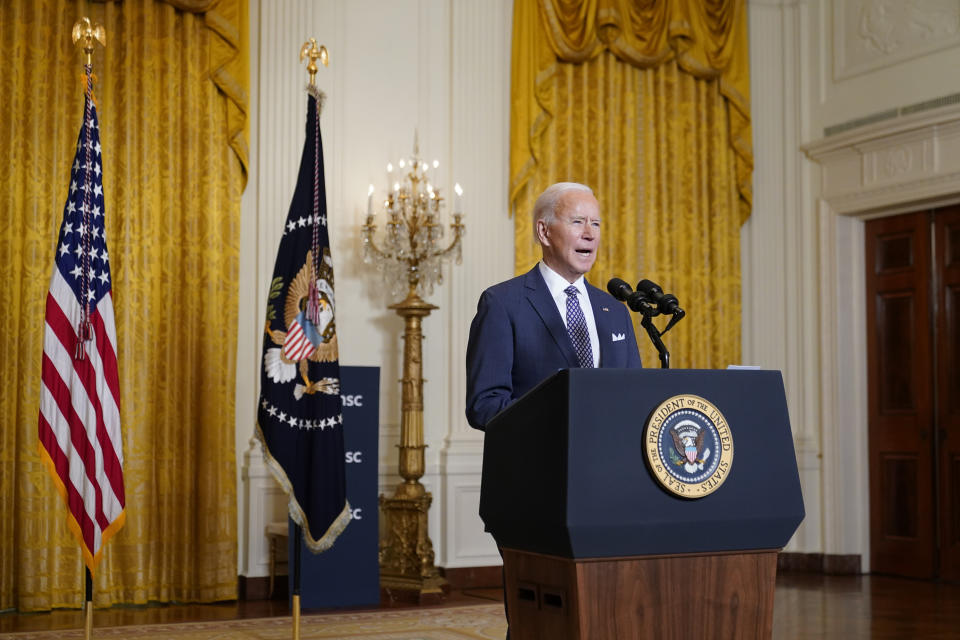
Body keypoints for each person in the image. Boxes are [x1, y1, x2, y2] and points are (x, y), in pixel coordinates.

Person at [465, 182, 642, 430]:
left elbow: (634, 396)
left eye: (596, 224)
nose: (590, 234)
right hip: (539, 464)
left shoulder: (614, 310)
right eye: (578, 222)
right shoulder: (502, 304)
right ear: (544, 232)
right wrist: (560, 418)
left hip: (607, 464)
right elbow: (484, 405)